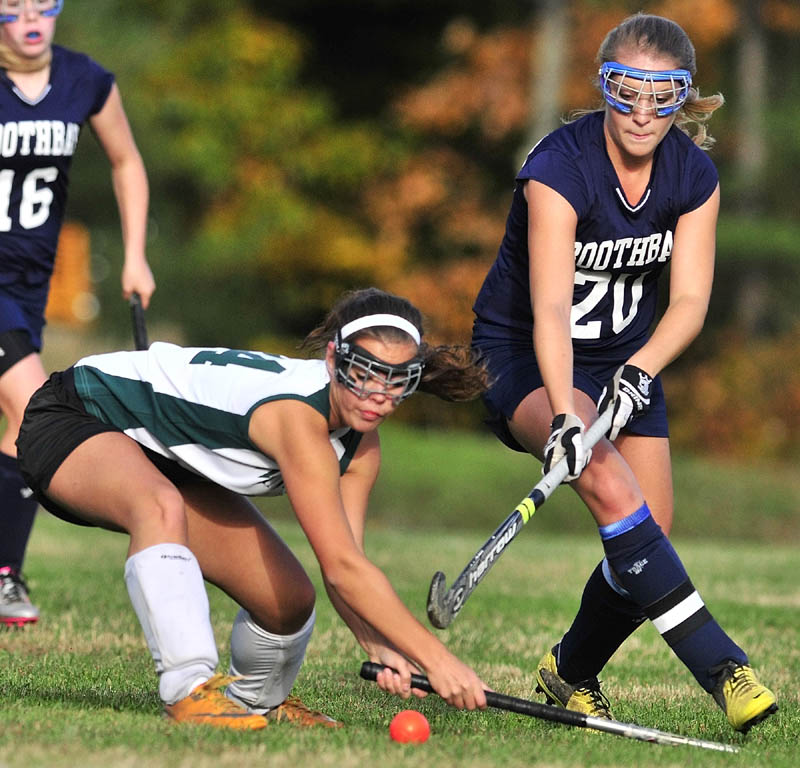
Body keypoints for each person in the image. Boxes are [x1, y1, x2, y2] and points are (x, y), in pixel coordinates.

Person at [471, 13, 777, 734]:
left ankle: (569, 672)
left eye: (662, 95)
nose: (642, 112)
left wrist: (640, 368)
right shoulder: (559, 166)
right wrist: (568, 417)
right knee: (607, 480)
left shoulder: (693, 175)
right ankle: (724, 669)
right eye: (625, 91)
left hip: (626, 361)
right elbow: (548, 307)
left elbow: (692, 301)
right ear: (603, 88)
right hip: (525, 352)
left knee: (649, 534)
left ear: (683, 98)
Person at [15, 287, 490, 729]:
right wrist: (439, 660)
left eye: (395, 382)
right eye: (361, 374)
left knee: (288, 599)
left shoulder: (361, 448)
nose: (376, 398)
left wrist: (379, 643)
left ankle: (256, 700)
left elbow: (346, 564)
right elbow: (346, 570)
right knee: (157, 507)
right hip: (74, 416)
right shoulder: (298, 421)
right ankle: (189, 690)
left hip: (169, 459)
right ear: (332, 360)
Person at [0, 0, 155, 626]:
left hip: (30, 282)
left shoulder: (85, 80)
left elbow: (126, 161)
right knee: (34, 403)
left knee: (16, 428)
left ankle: (5, 572)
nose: (32, 20)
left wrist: (136, 256)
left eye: (44, 6)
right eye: (13, 9)